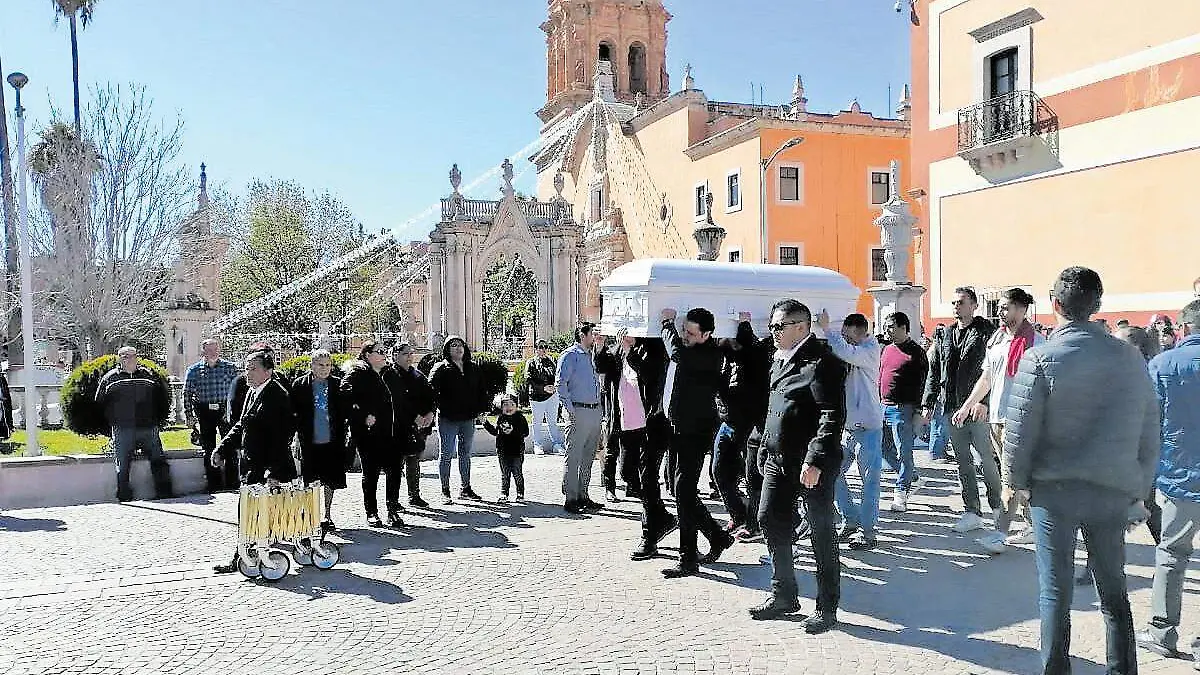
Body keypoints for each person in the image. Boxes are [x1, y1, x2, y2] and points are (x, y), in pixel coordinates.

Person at [1004, 266, 1160, 675]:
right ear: (1097, 305)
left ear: (1055, 305)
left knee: (1055, 592)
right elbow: (1149, 428)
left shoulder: (1041, 358)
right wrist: (1139, 487)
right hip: (1109, 489)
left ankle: (1056, 669)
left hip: (1054, 492)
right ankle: (1122, 670)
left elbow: (1020, 430)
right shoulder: (1128, 356)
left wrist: (1014, 483)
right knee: (1113, 590)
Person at [749, 299, 846, 633]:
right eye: (772, 326)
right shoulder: (778, 359)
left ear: (802, 327)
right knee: (768, 517)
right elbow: (775, 407)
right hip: (778, 457)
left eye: (779, 326)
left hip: (810, 464)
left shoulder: (822, 363)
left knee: (820, 532)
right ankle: (784, 594)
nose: (773, 332)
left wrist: (815, 459)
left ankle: (827, 607)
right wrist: (764, 446)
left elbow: (831, 415)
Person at [951, 288, 1045, 554]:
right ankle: (1034, 527)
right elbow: (987, 378)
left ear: (1022, 309)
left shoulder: (1036, 342)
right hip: (997, 417)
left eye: (1007, 307)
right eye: (1000, 307)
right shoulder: (997, 340)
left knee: (1010, 478)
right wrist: (968, 405)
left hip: (1022, 419)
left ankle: (1000, 533)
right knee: (1019, 477)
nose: (1001, 312)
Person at [1138, 299, 1200, 660]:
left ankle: (1162, 632)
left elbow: (1148, 425)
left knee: (1172, 554)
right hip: (1181, 473)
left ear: (1185, 328)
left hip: (1179, 478)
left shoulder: (1162, 365)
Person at [658, 307, 733, 579]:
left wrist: (666, 323)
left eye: (691, 333)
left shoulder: (710, 355)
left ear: (707, 334)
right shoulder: (694, 351)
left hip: (696, 431)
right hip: (679, 428)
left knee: (683, 489)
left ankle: (688, 557)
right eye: (684, 331)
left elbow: (676, 352)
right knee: (681, 491)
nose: (685, 336)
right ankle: (717, 536)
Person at [923, 286, 1002, 534]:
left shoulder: (987, 333)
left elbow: (993, 372)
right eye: (954, 302)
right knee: (963, 462)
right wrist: (928, 401)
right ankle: (972, 511)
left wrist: (984, 402)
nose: (956, 306)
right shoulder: (945, 334)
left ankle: (998, 506)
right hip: (951, 406)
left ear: (974, 305)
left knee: (986, 459)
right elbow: (934, 370)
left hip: (977, 407)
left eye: (961, 302)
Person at [212, 350, 298, 574]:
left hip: (267, 467)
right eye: (246, 368)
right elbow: (242, 425)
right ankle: (243, 555)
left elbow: (282, 436)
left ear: (268, 371)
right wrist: (221, 448)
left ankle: (250, 556)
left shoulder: (277, 395)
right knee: (247, 512)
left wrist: (274, 472)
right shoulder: (252, 392)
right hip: (251, 464)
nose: (247, 373)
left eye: (253, 369)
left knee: (257, 513)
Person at [816, 311, 882, 551]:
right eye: (842, 334)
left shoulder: (870, 350)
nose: (845, 338)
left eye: (848, 334)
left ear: (860, 331)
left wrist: (827, 330)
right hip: (849, 429)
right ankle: (851, 519)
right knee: (832, 474)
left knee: (870, 482)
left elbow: (845, 351)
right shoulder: (851, 352)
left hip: (869, 428)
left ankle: (868, 531)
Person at [716, 313, 771, 541]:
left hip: (751, 423)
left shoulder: (755, 354)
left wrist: (743, 324)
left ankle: (754, 522)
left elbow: (746, 350)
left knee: (753, 475)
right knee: (719, 471)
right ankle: (739, 514)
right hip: (728, 421)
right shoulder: (724, 355)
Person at [96, 346, 173, 502]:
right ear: (119, 359)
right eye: (125, 356)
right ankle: (124, 496)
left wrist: (157, 420)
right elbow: (100, 403)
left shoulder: (149, 376)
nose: (129, 359)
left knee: (158, 460)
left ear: (137, 357)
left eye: (132, 356)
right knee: (122, 465)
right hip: (122, 429)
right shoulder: (110, 378)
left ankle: (165, 493)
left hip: (148, 427)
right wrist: (112, 423)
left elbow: (162, 399)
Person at [342, 341, 403, 528]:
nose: (385, 355)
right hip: (367, 433)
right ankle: (372, 512)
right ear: (367, 355)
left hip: (391, 431)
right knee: (371, 473)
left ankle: (392, 510)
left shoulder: (389, 373)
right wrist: (362, 416)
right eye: (380, 352)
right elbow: (345, 397)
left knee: (394, 471)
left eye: (385, 351)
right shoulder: (357, 373)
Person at [627, 337, 678, 560]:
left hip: (663, 419)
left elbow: (651, 372)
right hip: (641, 420)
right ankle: (662, 521)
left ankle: (651, 533)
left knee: (671, 481)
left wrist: (630, 351)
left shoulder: (656, 345)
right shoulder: (640, 345)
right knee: (638, 474)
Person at [291, 349, 348, 532]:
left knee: (330, 479)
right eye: (320, 365)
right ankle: (311, 515)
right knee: (310, 479)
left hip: (332, 439)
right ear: (312, 366)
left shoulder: (338, 384)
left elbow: (344, 413)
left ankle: (327, 514)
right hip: (309, 439)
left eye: (328, 365)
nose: (325, 369)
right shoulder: (300, 385)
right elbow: (294, 415)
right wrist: (296, 439)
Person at [879, 311, 930, 513]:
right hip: (883, 406)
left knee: (904, 451)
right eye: (886, 326)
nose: (887, 330)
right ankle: (912, 477)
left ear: (903, 327)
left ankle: (901, 492)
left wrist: (920, 409)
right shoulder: (887, 349)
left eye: (890, 326)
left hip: (904, 408)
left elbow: (924, 382)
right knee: (884, 449)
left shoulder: (916, 352)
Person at [429, 336, 487, 503]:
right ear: (447, 349)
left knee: (465, 453)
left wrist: (482, 410)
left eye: (460, 345)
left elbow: (481, 391)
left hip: (468, 418)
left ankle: (465, 488)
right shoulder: (441, 368)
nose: (458, 348)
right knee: (446, 453)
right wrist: (432, 412)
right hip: (448, 418)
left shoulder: (473, 368)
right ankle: (445, 490)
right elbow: (431, 392)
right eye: (453, 345)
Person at [556, 322, 604, 514]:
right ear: (582, 335)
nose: (596, 336)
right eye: (593, 333)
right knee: (574, 456)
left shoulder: (594, 356)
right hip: (578, 410)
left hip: (594, 411)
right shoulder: (570, 355)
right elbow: (560, 384)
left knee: (588, 457)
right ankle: (571, 497)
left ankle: (584, 494)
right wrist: (569, 409)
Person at [182, 338, 240, 492]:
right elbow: (187, 393)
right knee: (208, 447)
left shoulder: (230, 368)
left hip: (225, 411)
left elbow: (238, 390)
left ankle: (233, 483)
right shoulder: (193, 370)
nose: (212, 352)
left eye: (215, 349)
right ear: (203, 351)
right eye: (209, 350)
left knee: (230, 446)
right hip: (204, 411)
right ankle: (214, 484)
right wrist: (189, 414)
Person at [595, 330, 646, 502]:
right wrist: (600, 345)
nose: (628, 338)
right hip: (616, 412)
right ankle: (610, 489)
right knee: (611, 452)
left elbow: (644, 371)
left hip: (636, 414)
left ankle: (632, 485)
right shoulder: (614, 351)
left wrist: (630, 350)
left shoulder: (642, 352)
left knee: (632, 452)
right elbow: (601, 365)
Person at [386, 342, 436, 509]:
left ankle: (414, 496)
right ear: (395, 355)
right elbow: (396, 402)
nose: (410, 357)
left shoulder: (418, 375)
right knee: (396, 466)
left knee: (414, 461)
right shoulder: (390, 375)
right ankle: (393, 500)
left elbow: (430, 395)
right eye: (406, 354)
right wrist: (414, 417)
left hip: (419, 427)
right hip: (399, 426)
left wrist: (429, 413)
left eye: (411, 353)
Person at [482, 393, 529, 503]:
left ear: (516, 406)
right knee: (505, 473)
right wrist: (485, 423)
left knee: (517, 473)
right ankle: (504, 493)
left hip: (517, 450)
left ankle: (520, 493)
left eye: (511, 404)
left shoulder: (520, 418)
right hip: (503, 451)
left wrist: (514, 431)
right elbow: (495, 432)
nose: (508, 407)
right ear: (501, 407)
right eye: (505, 405)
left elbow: (526, 433)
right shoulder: (501, 418)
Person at [525, 341, 565, 455]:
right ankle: (537, 445)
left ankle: (557, 444)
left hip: (552, 396)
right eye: (540, 347)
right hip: (537, 397)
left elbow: (558, 375)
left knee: (553, 421)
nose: (543, 349)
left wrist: (554, 387)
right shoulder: (531, 362)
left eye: (545, 347)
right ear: (536, 349)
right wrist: (543, 388)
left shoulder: (552, 361)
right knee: (537, 421)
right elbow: (529, 379)